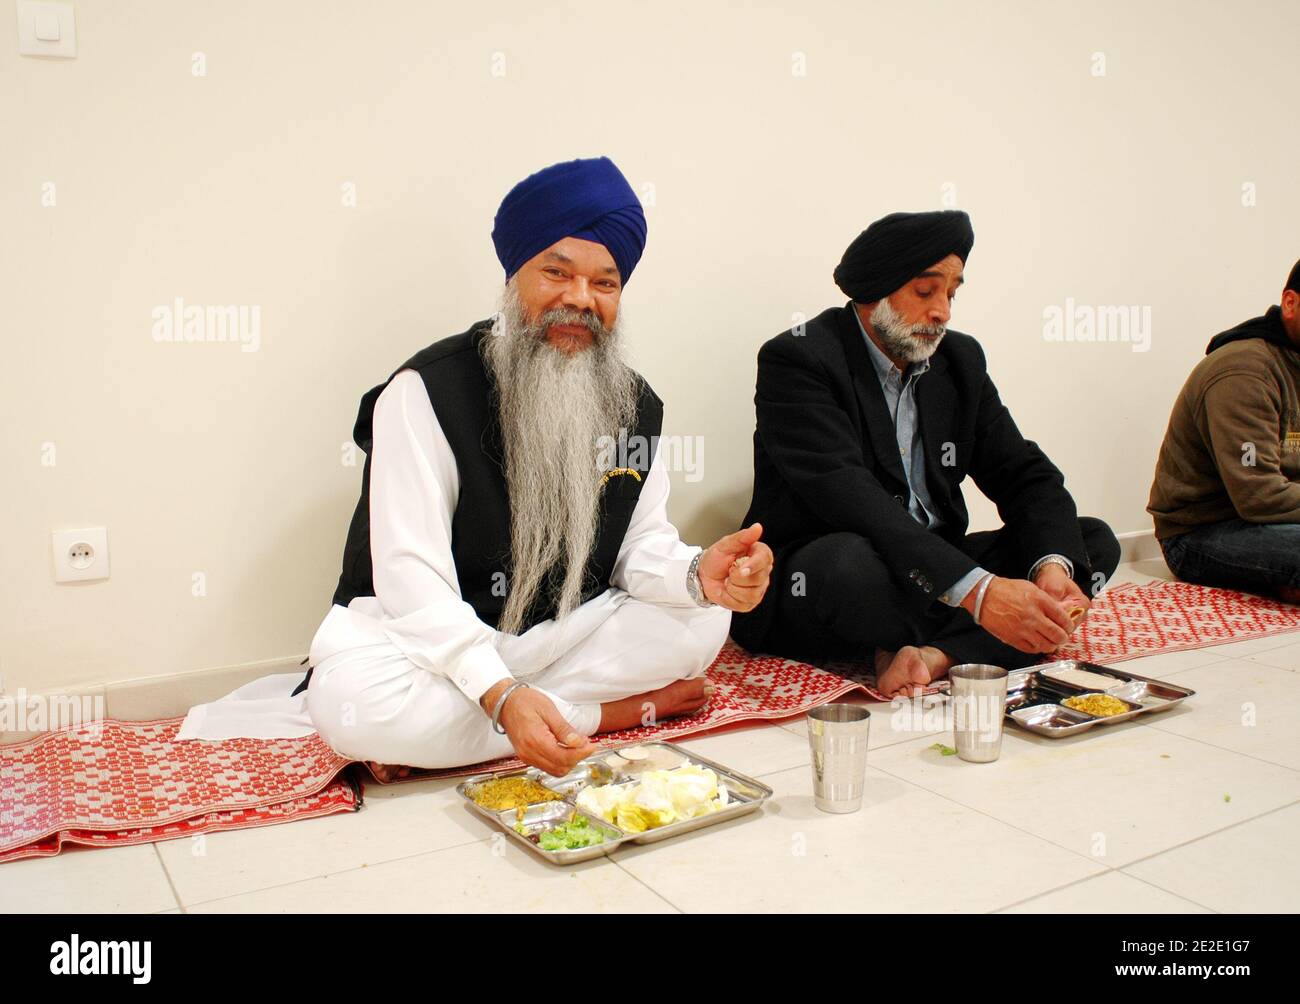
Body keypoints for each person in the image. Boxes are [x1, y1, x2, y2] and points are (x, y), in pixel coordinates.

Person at [178, 157, 772, 776]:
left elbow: (640, 547)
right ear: (514, 278)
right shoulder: (426, 391)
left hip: (558, 635)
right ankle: (607, 714)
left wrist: (702, 574)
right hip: (427, 646)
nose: (580, 300)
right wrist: (500, 691)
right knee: (353, 702)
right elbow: (411, 579)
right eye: (557, 273)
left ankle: (467, 731)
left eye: (605, 283)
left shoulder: (634, 405)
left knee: (705, 622)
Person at [729, 210, 1120, 698]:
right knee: (844, 563)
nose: (943, 312)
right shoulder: (800, 358)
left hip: (929, 571)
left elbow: (1023, 474)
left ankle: (934, 655)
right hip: (825, 577)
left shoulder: (959, 360)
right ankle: (972, 638)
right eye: (925, 291)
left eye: (952, 293)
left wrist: (1051, 571)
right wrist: (979, 593)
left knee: (1087, 541)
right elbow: (849, 497)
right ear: (877, 289)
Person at [1148, 259, 1300, 603]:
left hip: (1279, 521)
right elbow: (1260, 497)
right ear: (1290, 303)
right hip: (1202, 532)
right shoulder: (1244, 371)